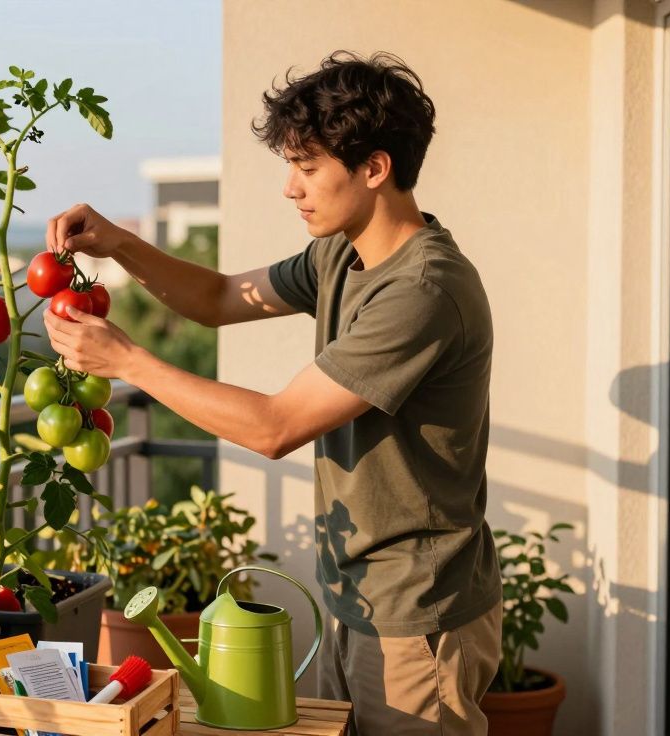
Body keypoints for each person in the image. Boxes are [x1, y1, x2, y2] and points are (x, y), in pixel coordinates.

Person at [42, 51, 501, 735]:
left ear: (374, 169)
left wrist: (130, 362)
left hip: (415, 620)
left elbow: (275, 427)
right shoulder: (343, 255)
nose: (291, 187)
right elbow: (220, 297)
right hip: (360, 601)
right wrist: (119, 244)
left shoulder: (422, 291)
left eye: (308, 167)